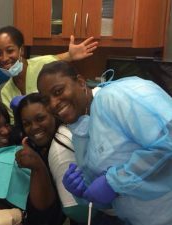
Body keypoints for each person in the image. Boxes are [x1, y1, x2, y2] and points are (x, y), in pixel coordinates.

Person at [37, 60, 172, 225]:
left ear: (80, 82)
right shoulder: (80, 130)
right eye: (45, 100)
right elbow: (108, 198)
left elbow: (168, 141)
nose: (53, 103)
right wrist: (82, 192)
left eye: (58, 91)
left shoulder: (118, 97)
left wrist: (114, 181)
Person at [0, 26, 98, 123]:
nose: (4, 58)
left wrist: (70, 55)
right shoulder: (5, 92)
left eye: (10, 51)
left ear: (22, 50)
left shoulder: (43, 64)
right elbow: (15, 124)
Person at [13, 93, 90, 225]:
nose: (34, 127)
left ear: (54, 115)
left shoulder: (64, 143)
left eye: (40, 118)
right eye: (27, 123)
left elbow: (48, 210)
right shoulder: (32, 147)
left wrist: (38, 166)